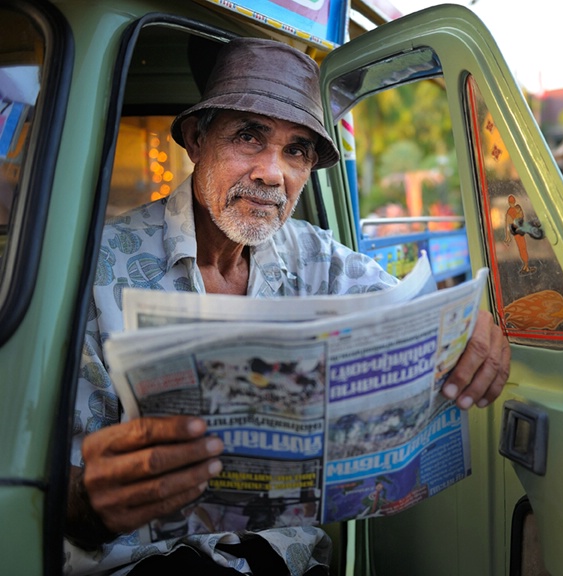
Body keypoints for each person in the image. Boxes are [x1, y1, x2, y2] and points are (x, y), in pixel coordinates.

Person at [65, 37, 510, 575]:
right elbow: (45, 486)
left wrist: (468, 325)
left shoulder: (314, 254)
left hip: (286, 561)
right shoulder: (97, 269)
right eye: (249, 137)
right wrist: (87, 501)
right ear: (196, 141)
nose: (272, 173)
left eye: (296, 150)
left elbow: (409, 311)